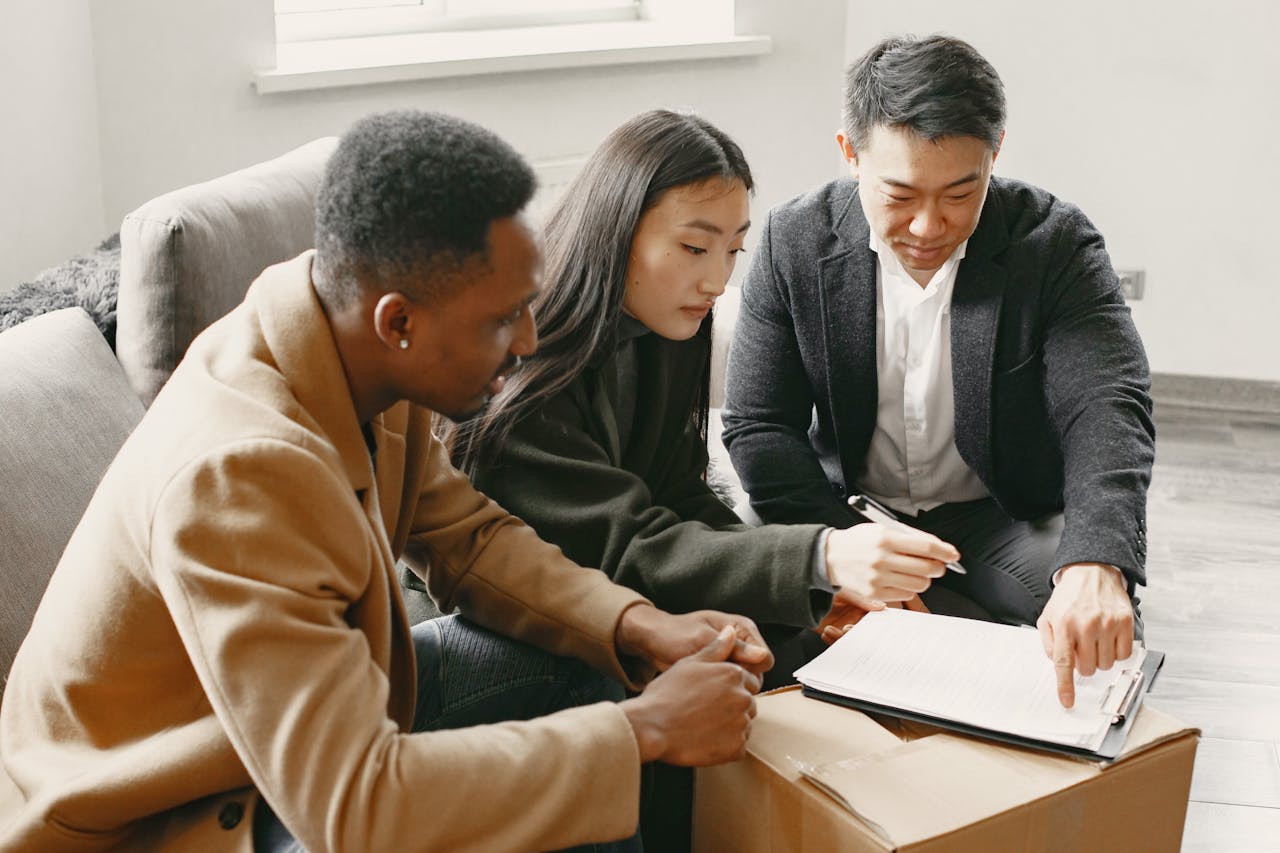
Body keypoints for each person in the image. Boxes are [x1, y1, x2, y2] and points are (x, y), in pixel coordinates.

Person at [0, 110, 774, 853]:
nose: (530, 340)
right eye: (501, 319)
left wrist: (637, 626)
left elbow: (470, 541)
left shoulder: (351, 344)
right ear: (398, 321)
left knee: (581, 665)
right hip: (163, 816)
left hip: (284, 737)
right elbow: (354, 808)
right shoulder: (241, 473)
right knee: (601, 732)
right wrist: (646, 730)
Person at [449, 108, 965, 688]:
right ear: (614, 230)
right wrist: (819, 558)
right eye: (696, 248)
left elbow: (678, 497)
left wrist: (818, 591)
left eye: (733, 252)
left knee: (820, 649)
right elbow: (620, 547)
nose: (718, 281)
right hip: (521, 614)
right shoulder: (523, 368)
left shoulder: (663, 328)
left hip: (623, 585)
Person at [721, 34, 1155, 709]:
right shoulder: (793, 240)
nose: (930, 225)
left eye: (962, 191)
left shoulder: (1055, 242)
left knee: (1094, 637)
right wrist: (843, 549)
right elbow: (759, 424)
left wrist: (1096, 560)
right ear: (849, 153)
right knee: (756, 626)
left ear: (995, 153)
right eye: (899, 194)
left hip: (999, 513)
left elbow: (1104, 403)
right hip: (844, 507)